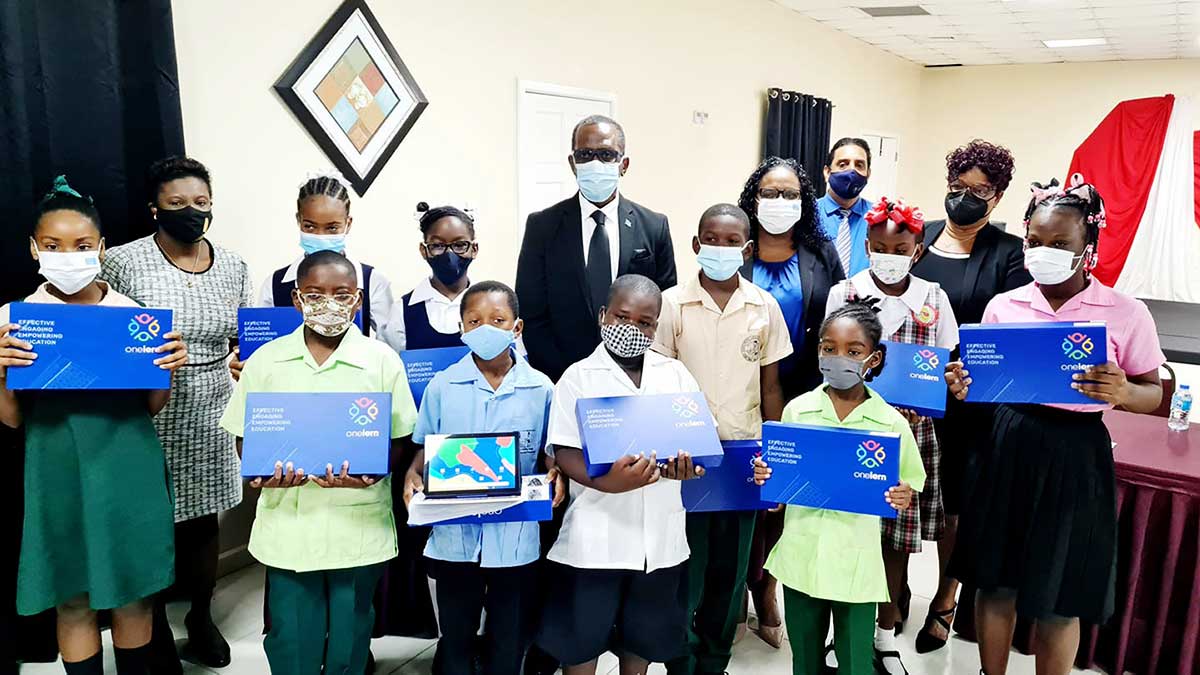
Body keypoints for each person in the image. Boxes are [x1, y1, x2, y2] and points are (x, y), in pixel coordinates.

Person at [945, 176, 1165, 675]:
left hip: (1076, 452)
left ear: (1087, 247)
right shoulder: (1005, 305)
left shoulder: (1126, 313)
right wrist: (963, 385)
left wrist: (1125, 392)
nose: (1043, 253)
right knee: (995, 579)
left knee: (1058, 590)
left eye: (1060, 244)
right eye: (1035, 243)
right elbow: (984, 382)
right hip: (1008, 440)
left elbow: (1153, 392)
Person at [0, 177, 188, 675]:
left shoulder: (132, 316)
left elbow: (152, 407)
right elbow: (11, 417)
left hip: (128, 467)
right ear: (33, 249)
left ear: (102, 249)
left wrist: (165, 364)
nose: (68, 255)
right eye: (53, 245)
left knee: (132, 596)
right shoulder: (18, 320)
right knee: (74, 599)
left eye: (82, 246)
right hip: (56, 471)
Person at [219, 250, 418, 675]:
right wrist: (262, 470)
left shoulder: (382, 361)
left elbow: (399, 439)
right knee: (291, 637)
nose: (329, 304)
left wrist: (371, 471)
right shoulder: (267, 362)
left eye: (341, 294)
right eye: (315, 294)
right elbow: (245, 438)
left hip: (358, 525)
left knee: (349, 636)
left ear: (358, 299)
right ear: (296, 299)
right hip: (289, 525)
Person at [101, 156, 252, 671]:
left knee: (205, 521)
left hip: (214, 405)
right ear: (154, 209)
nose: (192, 211)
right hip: (149, 407)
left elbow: (243, 336)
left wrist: (241, 359)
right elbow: (102, 328)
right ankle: (156, 619)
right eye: (178, 203)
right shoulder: (123, 262)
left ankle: (201, 617)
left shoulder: (233, 265)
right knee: (153, 521)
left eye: (201, 202)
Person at [536, 274, 705, 675]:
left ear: (656, 326)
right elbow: (565, 450)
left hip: (658, 537)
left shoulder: (675, 374)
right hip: (596, 534)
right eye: (622, 317)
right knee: (581, 639)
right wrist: (607, 483)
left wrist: (689, 467)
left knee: (643, 637)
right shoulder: (578, 377)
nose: (632, 329)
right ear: (602, 316)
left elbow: (698, 440)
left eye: (645, 323)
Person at [652, 204, 791, 675]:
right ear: (695, 245)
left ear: (747, 250)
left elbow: (771, 385)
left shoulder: (763, 306)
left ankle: (714, 660)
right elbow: (658, 382)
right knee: (685, 567)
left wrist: (774, 456)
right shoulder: (671, 304)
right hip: (685, 458)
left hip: (743, 456)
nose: (721, 248)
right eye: (712, 238)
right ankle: (682, 660)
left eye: (733, 242)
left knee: (730, 573)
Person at [753, 300, 925, 675]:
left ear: (874, 359)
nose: (838, 358)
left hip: (856, 564)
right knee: (806, 659)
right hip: (802, 558)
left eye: (853, 351)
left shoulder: (890, 423)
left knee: (856, 663)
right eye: (828, 349)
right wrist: (770, 485)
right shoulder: (797, 412)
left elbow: (910, 484)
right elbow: (779, 495)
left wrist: (903, 495)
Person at [825, 197, 959, 675]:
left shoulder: (933, 299)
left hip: (911, 436)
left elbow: (943, 366)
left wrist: (942, 385)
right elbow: (830, 361)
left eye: (899, 248)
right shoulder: (846, 292)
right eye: (879, 247)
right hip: (850, 431)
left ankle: (885, 634)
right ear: (866, 246)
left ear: (916, 249)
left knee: (895, 544)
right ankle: (842, 634)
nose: (888, 254)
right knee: (845, 532)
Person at [401, 281, 563, 675]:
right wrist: (412, 473)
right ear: (461, 328)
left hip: (515, 534)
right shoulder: (442, 386)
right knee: (455, 633)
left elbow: (549, 454)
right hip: (455, 536)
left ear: (517, 328)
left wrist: (557, 473)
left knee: (509, 635)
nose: (485, 328)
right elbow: (424, 447)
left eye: (497, 320)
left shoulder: (540, 387)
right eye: (474, 321)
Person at [908, 139, 1030, 653]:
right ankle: (890, 600)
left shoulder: (1008, 254)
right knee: (903, 495)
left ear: (997, 197)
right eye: (958, 187)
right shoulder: (921, 237)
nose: (965, 198)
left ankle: (945, 596)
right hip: (907, 392)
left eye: (979, 190)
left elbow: (1010, 331)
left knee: (955, 506)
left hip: (968, 400)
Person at [735, 156, 844, 646]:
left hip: (799, 390)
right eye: (770, 193)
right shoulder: (732, 248)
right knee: (743, 490)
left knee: (784, 494)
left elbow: (839, 319)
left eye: (790, 194)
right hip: (735, 387)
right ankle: (736, 583)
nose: (779, 203)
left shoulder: (821, 254)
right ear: (754, 199)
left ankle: (768, 587)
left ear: (804, 201)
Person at [516, 114, 677, 384]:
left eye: (606, 154)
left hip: (635, 375)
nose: (595, 163)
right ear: (572, 163)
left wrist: (637, 369)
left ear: (623, 165)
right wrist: (565, 375)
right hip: (562, 374)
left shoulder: (653, 226)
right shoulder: (542, 226)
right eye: (585, 154)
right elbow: (532, 311)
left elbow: (664, 305)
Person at [255, 171, 393, 334]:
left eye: (332, 228)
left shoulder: (372, 282)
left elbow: (390, 345)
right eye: (310, 227)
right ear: (299, 220)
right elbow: (262, 344)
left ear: (348, 224)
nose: (320, 236)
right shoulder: (275, 284)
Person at [382, 202, 476, 353]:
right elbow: (388, 368)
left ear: (474, 249)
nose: (449, 253)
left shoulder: (492, 305)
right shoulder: (402, 311)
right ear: (423, 250)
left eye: (459, 244)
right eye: (438, 245)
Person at [816, 138, 874, 276]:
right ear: (827, 172)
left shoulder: (879, 218)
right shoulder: (807, 213)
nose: (851, 171)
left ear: (868, 174)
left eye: (859, 165)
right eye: (843, 164)